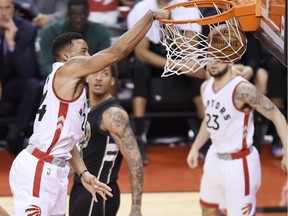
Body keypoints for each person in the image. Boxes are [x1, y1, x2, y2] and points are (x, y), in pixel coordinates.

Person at [9, 8, 170, 215]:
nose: (89, 56)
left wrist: (83, 172)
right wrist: (150, 17)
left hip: (54, 171)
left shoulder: (73, 90)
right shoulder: (68, 68)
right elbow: (116, 53)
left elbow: (67, 141)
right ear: (67, 56)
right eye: (84, 51)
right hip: (40, 167)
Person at [186, 61, 287, 215]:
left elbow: (277, 116)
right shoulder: (205, 87)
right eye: (210, 56)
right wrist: (195, 147)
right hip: (214, 157)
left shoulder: (243, 90)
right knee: (207, 209)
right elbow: (210, 120)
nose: (213, 62)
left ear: (230, 60)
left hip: (240, 164)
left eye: (219, 57)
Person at [127, 0, 204, 165]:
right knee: (140, 69)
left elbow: (191, 51)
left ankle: (205, 134)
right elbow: (141, 53)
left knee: (197, 70)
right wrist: (174, 66)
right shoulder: (142, 8)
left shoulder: (187, 6)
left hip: (180, 57)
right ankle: (139, 134)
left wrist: (172, 28)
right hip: (154, 61)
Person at [69, 65, 143, 216]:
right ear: (87, 78)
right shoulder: (83, 108)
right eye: (95, 72)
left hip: (99, 192)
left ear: (112, 81)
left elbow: (135, 161)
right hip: (80, 188)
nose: (98, 78)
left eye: (105, 74)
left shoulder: (113, 114)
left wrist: (136, 208)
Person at [0, 0, 42, 155]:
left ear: (14, 9)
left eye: (7, 8)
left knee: (33, 85)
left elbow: (27, 70)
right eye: (0, 9)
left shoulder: (26, 29)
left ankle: (16, 132)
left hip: (11, 83)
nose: (4, 13)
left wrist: (11, 43)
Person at [38, 0, 111, 79]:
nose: (78, 20)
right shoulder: (51, 31)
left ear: (87, 14)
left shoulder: (100, 31)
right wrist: (68, 76)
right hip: (60, 80)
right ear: (68, 15)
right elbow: (46, 66)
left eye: (82, 15)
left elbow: (105, 61)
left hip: (92, 78)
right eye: (74, 15)